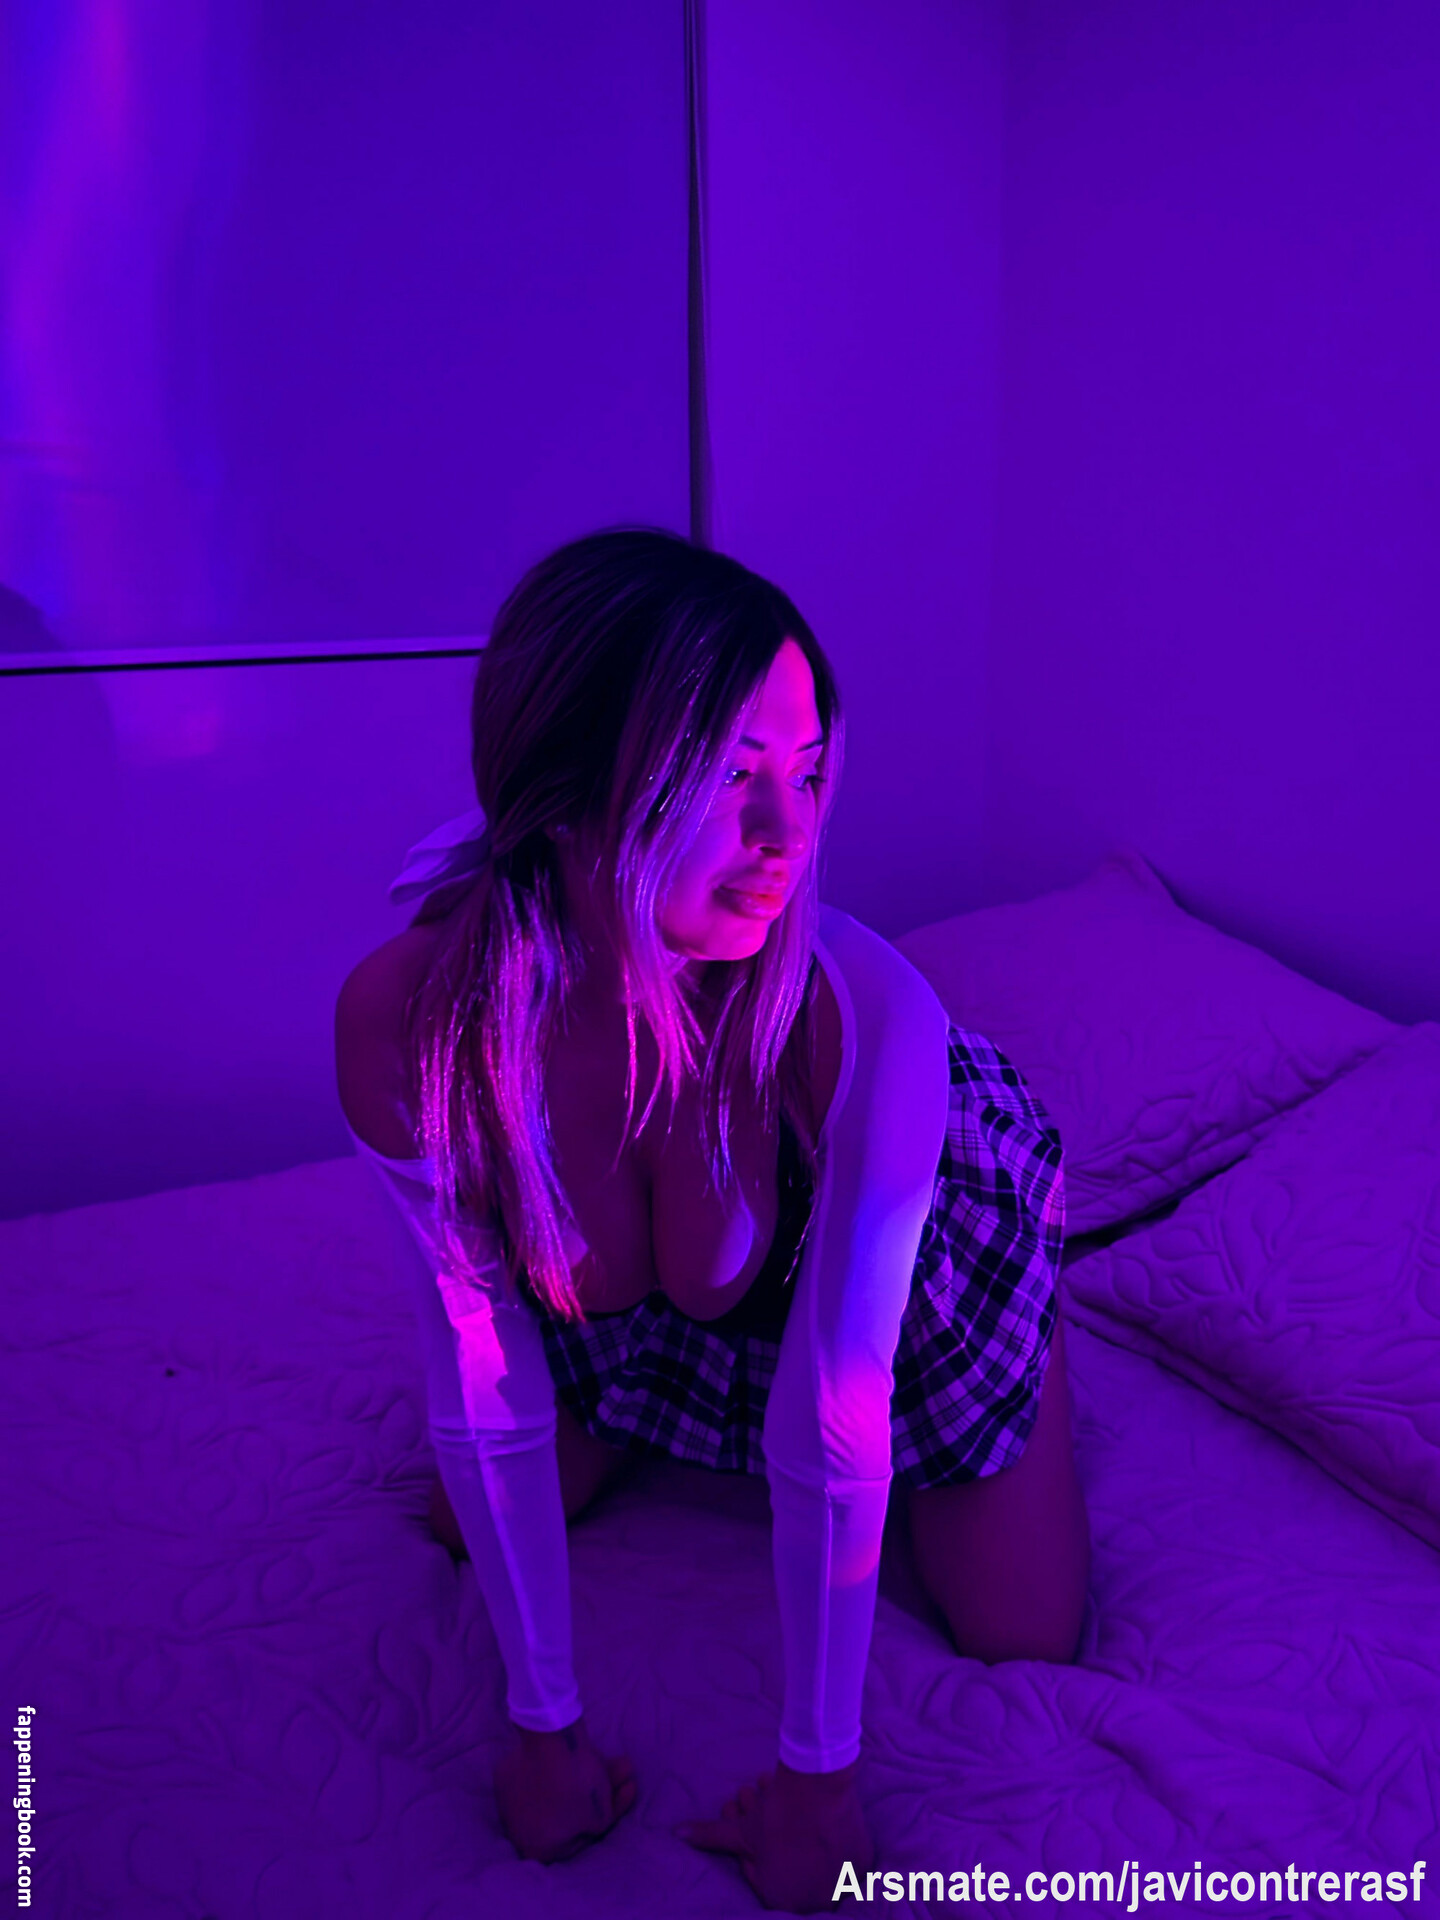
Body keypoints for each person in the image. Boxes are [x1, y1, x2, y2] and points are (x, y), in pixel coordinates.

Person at [334, 527, 1089, 1913]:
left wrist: (819, 1785)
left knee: (1022, 1631)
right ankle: (663, 1384)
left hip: (899, 1255)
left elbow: (838, 1407)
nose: (787, 840)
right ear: (567, 785)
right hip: (664, 1295)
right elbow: (479, 1365)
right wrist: (543, 1734)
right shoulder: (415, 1020)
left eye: (808, 773)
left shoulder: (864, 1025)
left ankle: (1036, 1340)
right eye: (735, 775)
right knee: (455, 1517)